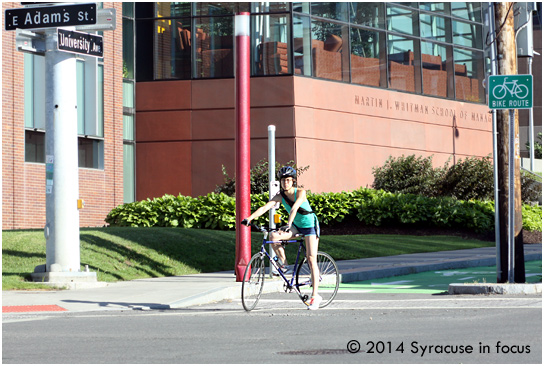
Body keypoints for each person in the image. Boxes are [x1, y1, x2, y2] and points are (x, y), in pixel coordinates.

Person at [241, 166, 322, 310]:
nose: (286, 183)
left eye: (289, 180)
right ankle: (285, 265)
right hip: (296, 226)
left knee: (311, 258)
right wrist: (249, 218)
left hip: (310, 226)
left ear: (293, 181)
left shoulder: (301, 192)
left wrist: (288, 224)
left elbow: (294, 208)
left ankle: (315, 297)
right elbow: (266, 207)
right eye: (283, 180)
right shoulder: (280, 196)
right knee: (273, 236)